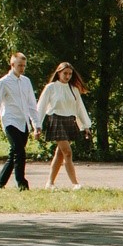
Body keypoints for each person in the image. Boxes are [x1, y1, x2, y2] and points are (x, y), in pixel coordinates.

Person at [0, 52, 38, 190]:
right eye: (19, 65)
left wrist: (36, 124)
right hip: (10, 121)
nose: (22, 68)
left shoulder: (26, 81)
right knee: (19, 152)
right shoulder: (3, 82)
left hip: (23, 122)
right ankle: (21, 183)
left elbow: (32, 104)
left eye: (24, 66)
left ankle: (0, 183)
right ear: (12, 64)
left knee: (14, 153)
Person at [39, 62, 92, 190]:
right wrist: (37, 125)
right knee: (67, 152)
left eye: (70, 74)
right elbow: (41, 106)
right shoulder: (51, 88)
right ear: (58, 73)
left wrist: (86, 125)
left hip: (69, 121)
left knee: (60, 154)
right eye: (65, 73)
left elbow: (79, 108)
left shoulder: (74, 89)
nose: (67, 76)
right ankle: (75, 183)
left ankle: (50, 183)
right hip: (56, 121)